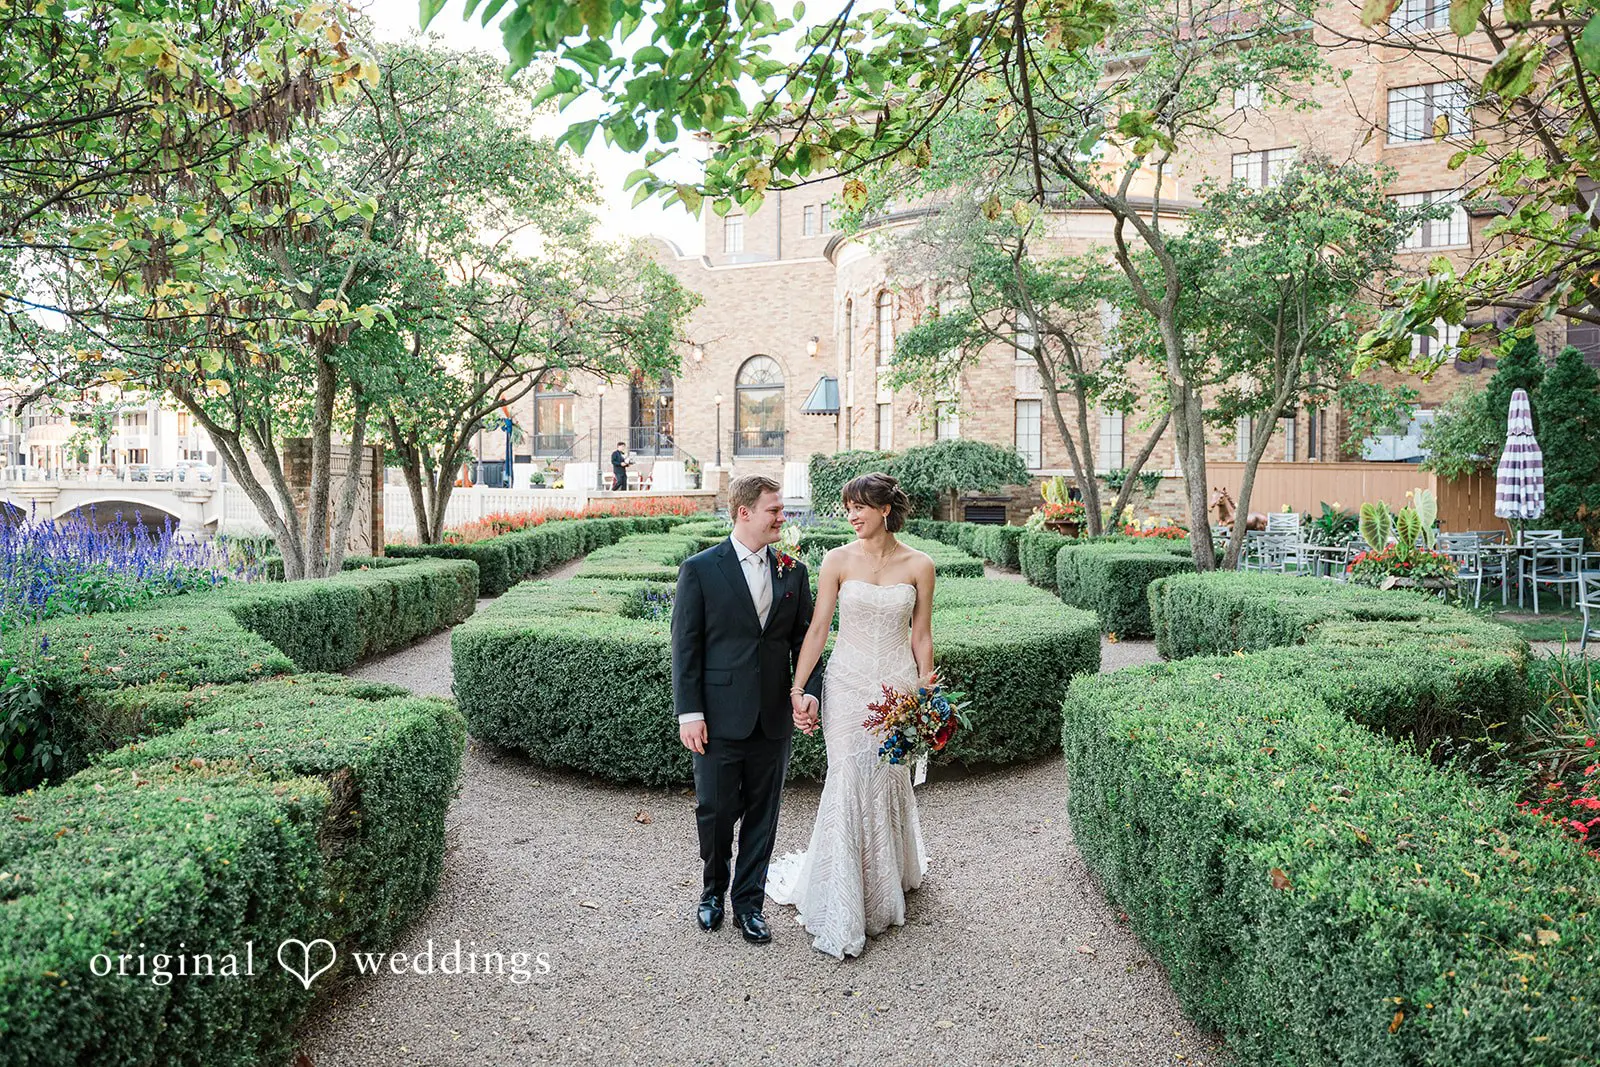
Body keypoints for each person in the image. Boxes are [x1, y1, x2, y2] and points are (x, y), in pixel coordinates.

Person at [766, 472, 935, 959]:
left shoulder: (920, 565)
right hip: (846, 684)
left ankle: (886, 879)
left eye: (860, 507)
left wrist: (927, 693)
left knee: (885, 777)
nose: (853, 516)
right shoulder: (837, 560)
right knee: (846, 776)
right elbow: (819, 628)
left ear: (885, 509)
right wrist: (798, 686)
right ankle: (842, 895)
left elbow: (920, 634)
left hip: (897, 686)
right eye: (847, 509)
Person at [671, 475, 822, 944]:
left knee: (764, 813)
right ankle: (712, 891)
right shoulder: (700, 569)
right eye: (775, 510)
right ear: (744, 513)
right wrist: (689, 712)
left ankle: (749, 904)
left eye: (782, 510)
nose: (783, 518)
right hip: (716, 717)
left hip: (773, 718)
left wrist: (809, 690)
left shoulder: (792, 571)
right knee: (714, 811)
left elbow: (806, 644)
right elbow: (685, 646)